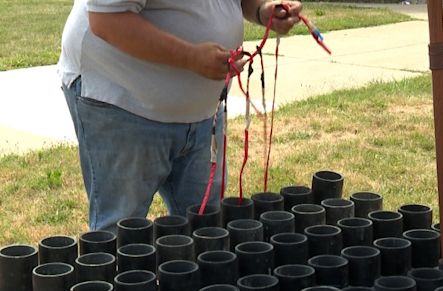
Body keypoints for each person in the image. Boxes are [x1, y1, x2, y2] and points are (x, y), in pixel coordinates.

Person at [58, 0, 302, 234]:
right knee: (122, 235)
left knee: (207, 231)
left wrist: (262, 10)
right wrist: (192, 57)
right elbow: (106, 19)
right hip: (122, 100)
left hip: (205, 112)